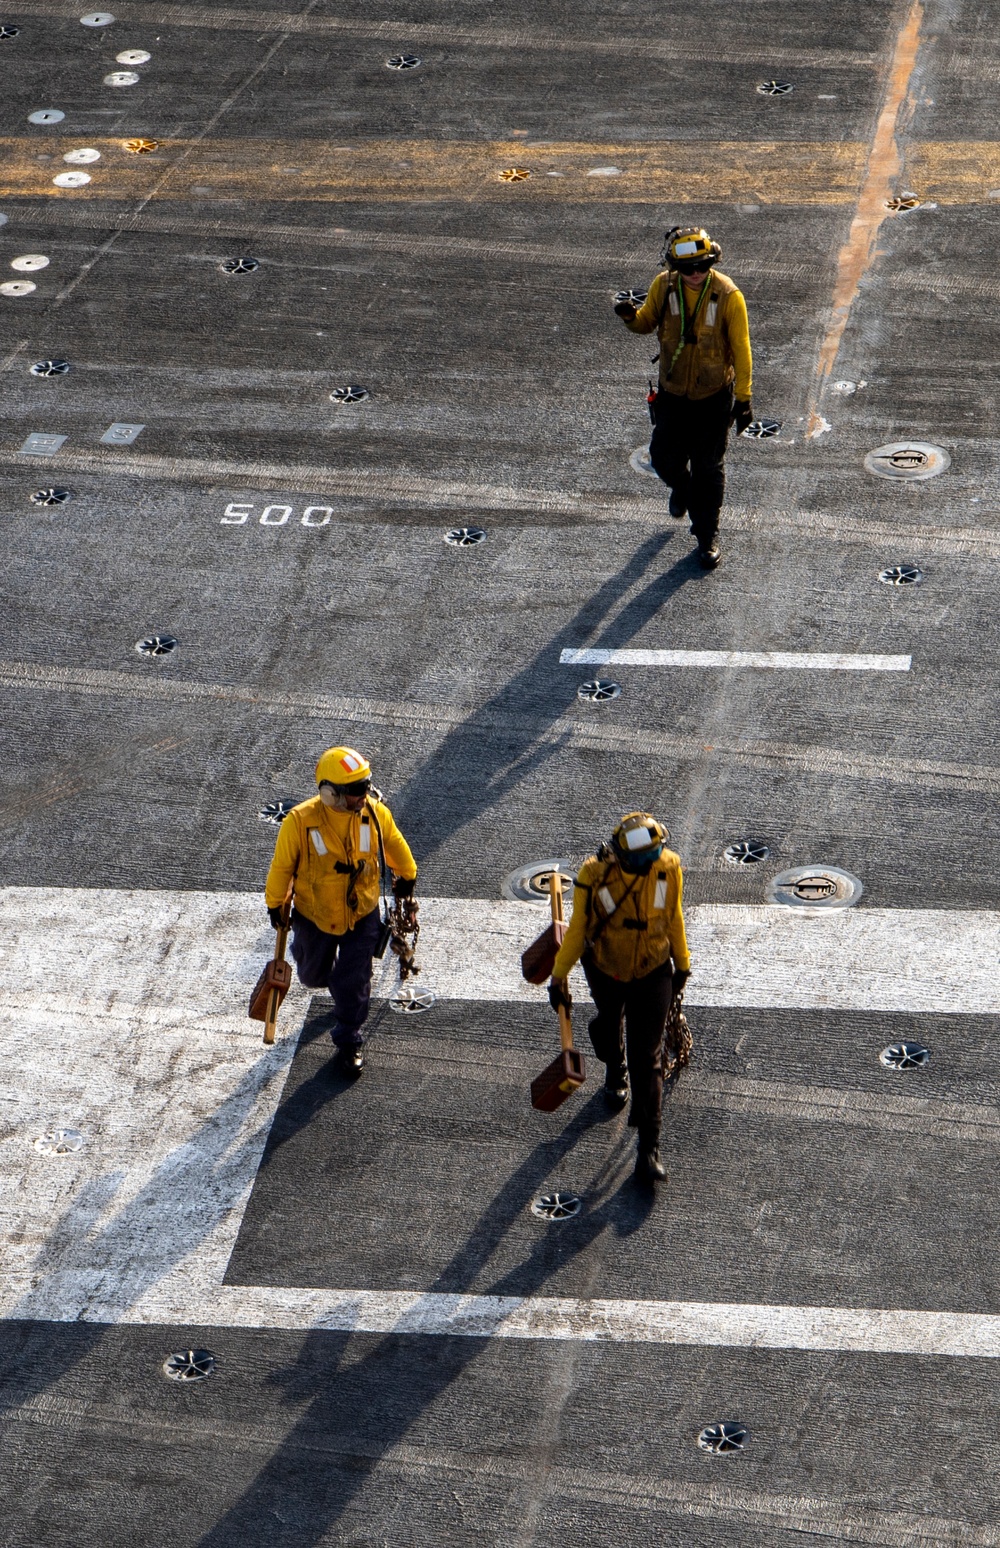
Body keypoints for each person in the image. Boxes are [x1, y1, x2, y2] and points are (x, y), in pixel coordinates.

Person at [547, 813, 690, 1184]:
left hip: (653, 969)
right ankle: (614, 1066)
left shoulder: (668, 867)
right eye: (639, 860)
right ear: (621, 854)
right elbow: (577, 929)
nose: (647, 865)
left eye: (652, 856)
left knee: (650, 1057)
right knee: (609, 1024)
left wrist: (682, 965)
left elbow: (673, 917)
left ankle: (649, 1149)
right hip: (606, 968)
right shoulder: (594, 874)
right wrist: (558, 977)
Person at [264, 746, 417, 1074]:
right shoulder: (300, 822)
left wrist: (408, 877)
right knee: (311, 975)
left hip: (361, 915)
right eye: (356, 790)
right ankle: (340, 983)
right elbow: (281, 868)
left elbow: (394, 845)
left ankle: (349, 1037)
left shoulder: (375, 815)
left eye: (366, 785)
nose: (365, 794)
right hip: (314, 916)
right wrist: (276, 904)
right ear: (330, 793)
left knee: (352, 980)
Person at [615, 225, 753, 570]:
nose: (695, 274)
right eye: (687, 268)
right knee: (662, 459)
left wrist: (744, 399)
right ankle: (683, 487)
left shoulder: (728, 295)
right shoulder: (664, 286)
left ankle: (707, 536)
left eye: (702, 267)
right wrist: (630, 317)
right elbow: (646, 323)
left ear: (712, 263)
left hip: (712, 399)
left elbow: (742, 349)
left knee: (710, 469)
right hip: (673, 395)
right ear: (673, 267)